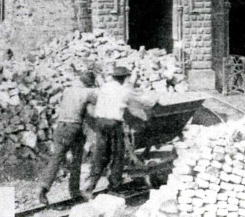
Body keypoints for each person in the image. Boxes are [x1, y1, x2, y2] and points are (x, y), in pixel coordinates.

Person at [82, 66, 157, 200]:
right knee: (117, 155)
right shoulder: (125, 90)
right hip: (113, 124)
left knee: (100, 154)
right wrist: (153, 101)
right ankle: (114, 187)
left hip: (99, 123)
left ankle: (89, 185)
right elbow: (146, 102)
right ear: (124, 78)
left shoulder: (105, 87)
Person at [38, 71, 98, 205]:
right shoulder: (88, 92)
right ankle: (75, 193)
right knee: (76, 160)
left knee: (56, 158)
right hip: (74, 127)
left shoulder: (68, 91)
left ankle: (43, 189)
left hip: (59, 127)